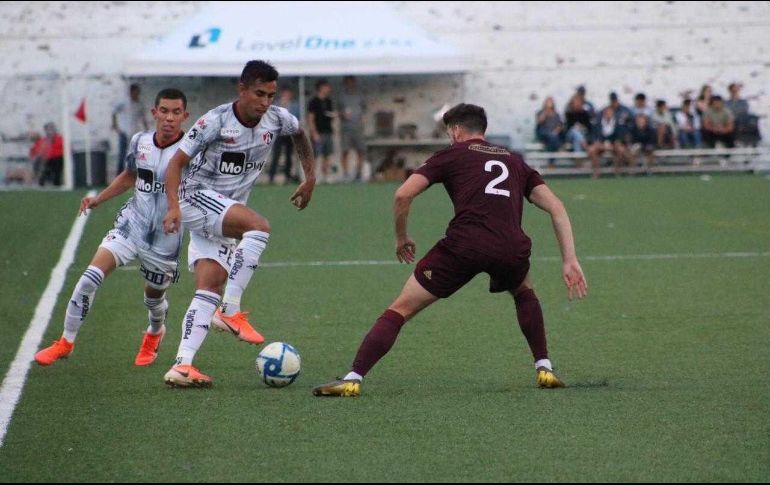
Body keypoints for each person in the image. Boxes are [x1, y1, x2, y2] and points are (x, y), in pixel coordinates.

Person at [313, 103, 588, 397]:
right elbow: (556, 207)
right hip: (510, 247)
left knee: (400, 308)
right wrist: (569, 259)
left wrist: (401, 237)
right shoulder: (514, 160)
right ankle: (544, 367)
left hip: (464, 246)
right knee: (523, 291)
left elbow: (403, 193)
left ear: (456, 130)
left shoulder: (451, 154)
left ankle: (353, 378)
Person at [161, 60, 316, 388]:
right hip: (194, 198)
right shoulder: (214, 121)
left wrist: (310, 177)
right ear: (242, 89)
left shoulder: (276, 119)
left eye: (271, 95)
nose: (265, 102)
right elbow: (175, 165)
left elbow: (300, 134)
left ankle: (182, 365)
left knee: (209, 286)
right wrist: (174, 207)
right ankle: (230, 311)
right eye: (259, 93)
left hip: (224, 211)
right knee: (258, 227)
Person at [35, 88, 190, 367]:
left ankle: (155, 332)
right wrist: (98, 199)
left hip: (165, 238)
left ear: (185, 116)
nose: (169, 118)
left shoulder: (191, 151)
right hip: (131, 225)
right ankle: (66, 341)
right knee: (89, 278)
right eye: (164, 111)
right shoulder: (139, 141)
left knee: (153, 298)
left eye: (176, 112)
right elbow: (130, 176)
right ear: (154, 113)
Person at [113, 83, 150, 177]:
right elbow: (114, 112)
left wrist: (147, 130)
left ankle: (133, 175)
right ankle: (118, 176)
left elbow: (143, 118)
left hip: (135, 133)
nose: (137, 94)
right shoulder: (124, 103)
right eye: (136, 92)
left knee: (135, 154)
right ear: (131, 92)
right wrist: (115, 126)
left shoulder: (140, 105)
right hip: (124, 132)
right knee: (122, 154)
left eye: (138, 93)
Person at [268, 87, 301, 184]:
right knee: (276, 155)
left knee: (288, 155)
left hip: (289, 133)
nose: (287, 96)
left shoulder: (295, 105)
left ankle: (287, 176)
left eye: (288, 94)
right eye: (285, 94)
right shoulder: (276, 105)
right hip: (278, 133)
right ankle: (271, 177)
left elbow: (297, 117)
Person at [338, 75, 368, 182]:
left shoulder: (360, 95)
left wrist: (363, 120)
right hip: (346, 127)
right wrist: (343, 115)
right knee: (345, 151)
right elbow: (338, 111)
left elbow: (364, 110)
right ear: (345, 84)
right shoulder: (342, 97)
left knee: (361, 150)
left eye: (352, 82)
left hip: (358, 127)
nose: (350, 84)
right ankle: (346, 174)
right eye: (348, 82)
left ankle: (358, 173)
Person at [307, 79, 336, 182]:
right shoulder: (313, 102)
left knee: (327, 155)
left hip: (328, 131)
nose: (329, 89)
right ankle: (314, 176)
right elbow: (310, 118)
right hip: (318, 132)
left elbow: (330, 114)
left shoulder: (329, 101)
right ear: (321, 88)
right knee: (316, 155)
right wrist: (314, 133)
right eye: (326, 86)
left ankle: (326, 175)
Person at [38, 122, 64, 187]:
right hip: (48, 159)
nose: (49, 131)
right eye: (47, 130)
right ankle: (41, 183)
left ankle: (57, 184)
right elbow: (40, 150)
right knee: (44, 167)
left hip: (59, 158)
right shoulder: (44, 140)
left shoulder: (60, 138)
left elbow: (63, 148)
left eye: (51, 129)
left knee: (57, 168)